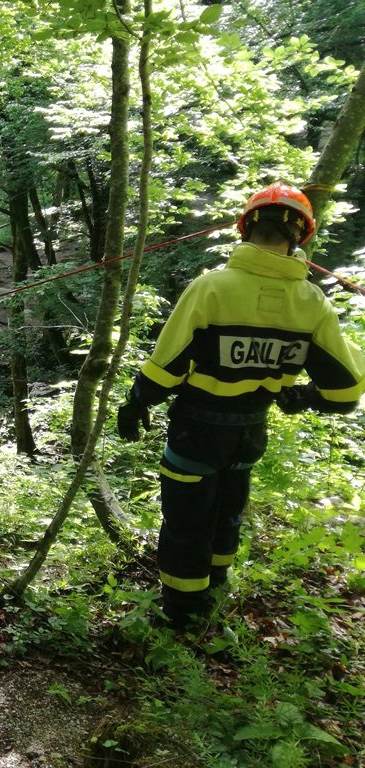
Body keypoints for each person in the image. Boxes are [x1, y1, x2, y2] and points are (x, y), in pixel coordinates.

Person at [117, 182, 365, 630]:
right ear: (299, 237)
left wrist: (137, 402)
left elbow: (168, 365)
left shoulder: (212, 288)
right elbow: (346, 392)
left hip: (197, 431)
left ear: (246, 228)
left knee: (187, 522)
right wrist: (304, 397)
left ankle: (181, 614)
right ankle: (214, 587)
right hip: (250, 433)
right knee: (226, 512)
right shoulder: (312, 302)